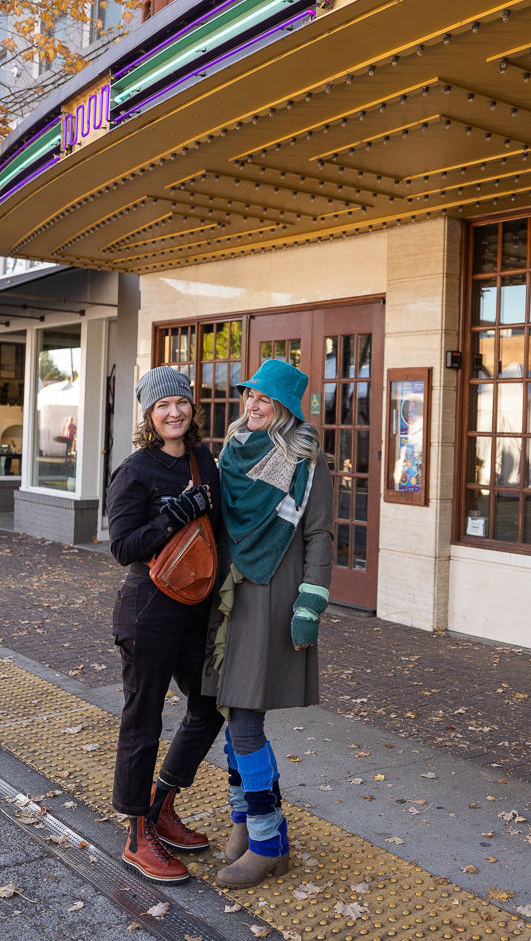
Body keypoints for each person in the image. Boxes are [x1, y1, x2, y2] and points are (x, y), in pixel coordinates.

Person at [203, 359, 333, 889]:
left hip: (274, 594)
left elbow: (320, 537)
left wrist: (309, 610)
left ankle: (267, 841)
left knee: (246, 720)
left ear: (284, 409)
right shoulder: (230, 451)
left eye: (264, 400)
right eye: (249, 396)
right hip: (228, 593)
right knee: (232, 712)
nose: (252, 406)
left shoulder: (305, 461)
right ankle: (243, 823)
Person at [107, 366, 223, 885]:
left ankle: (161, 804)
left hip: (196, 606)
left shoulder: (205, 461)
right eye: (162, 406)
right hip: (148, 609)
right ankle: (136, 835)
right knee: (143, 719)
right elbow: (122, 547)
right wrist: (170, 519)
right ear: (149, 417)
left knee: (208, 704)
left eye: (181, 402)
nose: (173, 412)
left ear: (192, 408)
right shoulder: (135, 470)